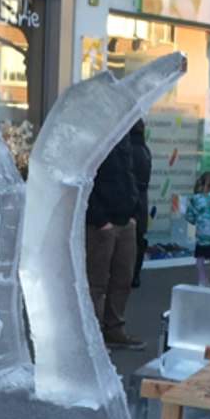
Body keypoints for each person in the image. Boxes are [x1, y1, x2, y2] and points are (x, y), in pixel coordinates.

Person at [86, 131, 145, 351]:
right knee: (96, 281)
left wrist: (133, 213)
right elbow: (86, 179)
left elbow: (130, 175)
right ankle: (92, 334)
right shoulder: (94, 137)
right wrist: (99, 219)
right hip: (102, 223)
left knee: (123, 278)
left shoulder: (123, 137)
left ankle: (114, 328)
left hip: (125, 218)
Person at [128, 119, 151, 288]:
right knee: (137, 238)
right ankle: (134, 274)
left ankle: (132, 275)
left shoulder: (132, 149)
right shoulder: (143, 149)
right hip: (140, 198)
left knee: (132, 239)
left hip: (133, 199)